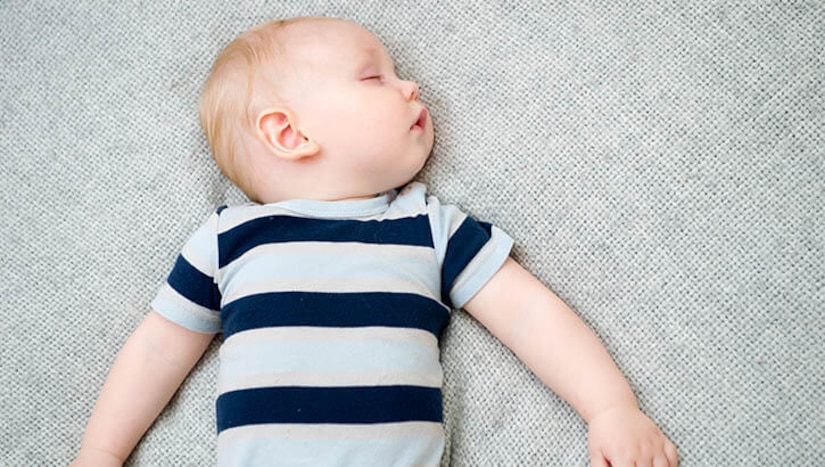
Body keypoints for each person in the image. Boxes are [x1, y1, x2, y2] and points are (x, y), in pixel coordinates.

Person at [72, 16, 678, 467]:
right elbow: (156, 350)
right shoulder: (230, 239)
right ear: (288, 132)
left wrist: (609, 408)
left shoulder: (429, 226)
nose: (412, 86)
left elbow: (527, 314)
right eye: (374, 76)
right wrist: (100, 453)